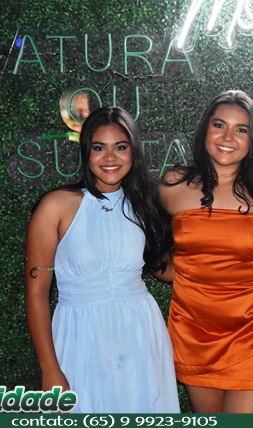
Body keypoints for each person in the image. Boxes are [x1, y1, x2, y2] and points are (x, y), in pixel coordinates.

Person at [24, 106, 180, 413]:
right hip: (79, 333)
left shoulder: (145, 205)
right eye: (99, 148)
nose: (110, 158)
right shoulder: (56, 206)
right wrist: (49, 368)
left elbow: (164, 269)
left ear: (133, 152)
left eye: (120, 147)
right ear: (86, 152)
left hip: (140, 332)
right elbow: (36, 292)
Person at [158, 90, 253, 413]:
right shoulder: (172, 185)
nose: (228, 137)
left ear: (252, 140)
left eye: (241, 129)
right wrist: (192, 275)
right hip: (194, 333)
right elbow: (149, 249)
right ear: (205, 129)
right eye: (219, 125)